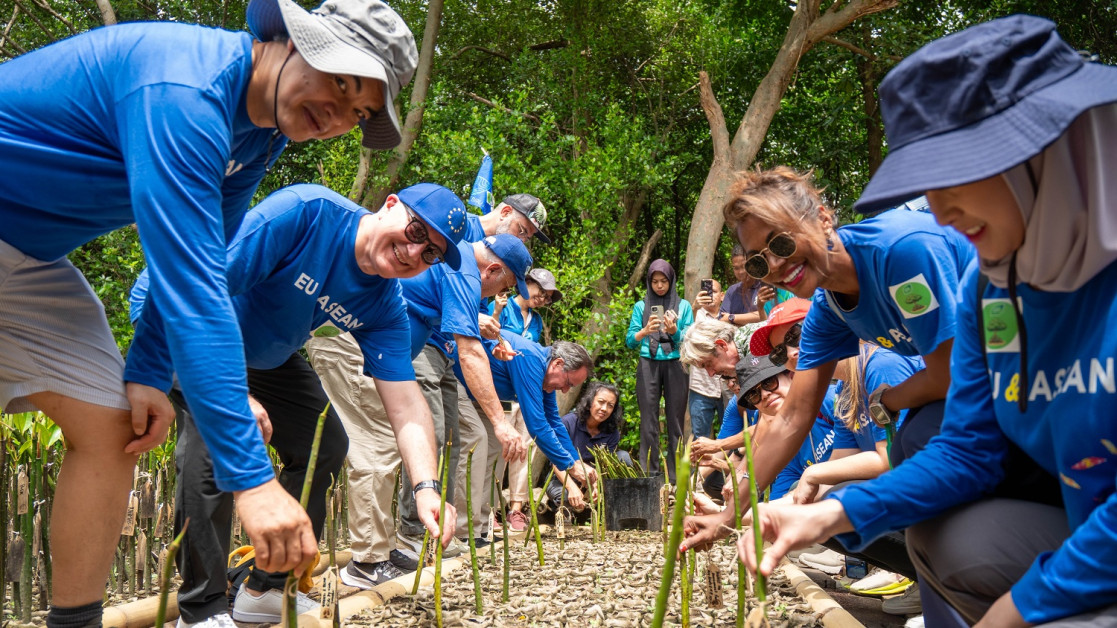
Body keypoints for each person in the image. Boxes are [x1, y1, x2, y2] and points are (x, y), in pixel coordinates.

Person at [0, 0, 416, 625]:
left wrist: (147, 368)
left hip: (29, 260)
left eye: (358, 112)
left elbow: (210, 259)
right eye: (342, 81)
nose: (338, 116)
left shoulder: (259, 135)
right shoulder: (185, 91)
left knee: (115, 427)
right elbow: (196, 291)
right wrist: (252, 479)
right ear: (295, 40)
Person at [742, 15, 1117, 627]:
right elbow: (968, 451)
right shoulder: (989, 289)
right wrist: (828, 514)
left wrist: (1021, 609)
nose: (938, 210)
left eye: (952, 177)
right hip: (1080, 516)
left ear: (1045, 152)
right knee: (956, 542)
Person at [130, 183, 459, 622]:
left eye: (431, 253)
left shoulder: (385, 304)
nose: (414, 252)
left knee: (325, 445)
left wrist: (426, 488)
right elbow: (197, 290)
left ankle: (267, 586)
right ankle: (202, 607)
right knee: (219, 439)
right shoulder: (307, 213)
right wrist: (230, 394)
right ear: (391, 205)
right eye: (417, 232)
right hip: (179, 317)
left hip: (267, 357)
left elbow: (406, 403)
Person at [680, 165, 974, 554]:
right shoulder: (828, 309)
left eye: (781, 243)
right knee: (898, 456)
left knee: (915, 442)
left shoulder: (899, 252)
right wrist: (725, 520)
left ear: (821, 215)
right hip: (976, 383)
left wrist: (888, 399)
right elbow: (791, 418)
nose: (776, 266)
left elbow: (952, 374)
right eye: (758, 262)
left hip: (1027, 364)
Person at [389, 234, 531, 569]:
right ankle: (412, 530)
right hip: (405, 341)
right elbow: (469, 351)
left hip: (434, 348)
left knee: (449, 439)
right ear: (493, 269)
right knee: (430, 434)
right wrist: (500, 422)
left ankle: (439, 526)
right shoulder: (465, 271)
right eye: (503, 286)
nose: (496, 296)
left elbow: (466, 333)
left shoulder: (469, 271)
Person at [454, 334, 598, 532]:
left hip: (483, 397)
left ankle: (479, 526)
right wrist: (570, 467)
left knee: (495, 452)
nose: (565, 391)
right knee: (477, 442)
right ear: (558, 363)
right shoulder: (531, 359)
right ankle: (463, 528)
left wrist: (576, 461)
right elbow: (537, 425)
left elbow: (554, 423)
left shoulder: (545, 374)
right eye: (568, 383)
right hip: (457, 381)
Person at [627, 259, 694, 481]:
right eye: (654, 281)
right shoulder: (641, 306)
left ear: (671, 281)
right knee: (648, 420)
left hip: (676, 363)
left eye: (663, 281)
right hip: (648, 362)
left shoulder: (683, 306)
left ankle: (676, 477)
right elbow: (630, 341)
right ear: (649, 282)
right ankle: (651, 474)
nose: (659, 286)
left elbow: (688, 339)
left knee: (675, 420)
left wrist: (674, 331)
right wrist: (645, 330)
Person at [544, 381, 628, 512]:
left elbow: (605, 466)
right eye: (601, 401)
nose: (604, 409)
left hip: (593, 479)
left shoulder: (612, 433)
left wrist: (597, 486)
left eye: (610, 405)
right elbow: (556, 463)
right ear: (590, 401)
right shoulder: (568, 423)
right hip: (564, 478)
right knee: (565, 497)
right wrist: (572, 488)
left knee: (624, 457)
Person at [687, 279, 728, 439]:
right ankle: (697, 466)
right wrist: (695, 306)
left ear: (722, 296)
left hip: (727, 385)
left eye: (715, 291)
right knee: (699, 437)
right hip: (701, 387)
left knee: (731, 436)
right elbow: (685, 332)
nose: (710, 295)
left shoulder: (731, 315)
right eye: (706, 292)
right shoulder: (695, 315)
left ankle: (728, 465)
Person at [489, 268, 562, 344]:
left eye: (547, 298)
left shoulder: (536, 320)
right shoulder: (500, 306)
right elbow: (488, 339)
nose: (542, 298)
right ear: (527, 283)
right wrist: (496, 313)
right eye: (542, 291)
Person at [717, 244, 776, 326]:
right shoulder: (732, 291)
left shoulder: (766, 286)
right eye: (736, 268)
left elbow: (768, 313)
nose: (741, 272)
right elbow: (722, 319)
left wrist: (732, 318)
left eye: (744, 266)